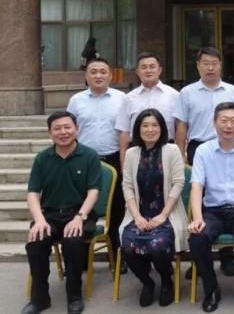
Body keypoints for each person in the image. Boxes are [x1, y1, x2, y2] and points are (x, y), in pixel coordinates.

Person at [22, 111, 102, 314]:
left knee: (72, 241)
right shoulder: (43, 158)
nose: (63, 132)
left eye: (67, 127)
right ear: (50, 133)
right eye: (57, 128)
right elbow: (33, 193)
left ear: (77, 129)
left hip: (80, 214)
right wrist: (39, 220)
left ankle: (74, 296)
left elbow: (93, 191)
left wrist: (79, 217)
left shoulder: (89, 156)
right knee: (36, 242)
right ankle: (40, 299)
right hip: (49, 215)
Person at [188, 102, 234, 312]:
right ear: (215, 123)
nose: (228, 125)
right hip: (213, 211)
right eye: (224, 120)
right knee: (197, 238)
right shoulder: (203, 150)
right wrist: (197, 218)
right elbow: (196, 187)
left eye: (233, 121)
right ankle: (211, 289)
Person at [175, 47, 234, 277]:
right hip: (199, 148)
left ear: (221, 65)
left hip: (229, 148)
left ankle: (226, 257)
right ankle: (199, 260)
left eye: (214, 63)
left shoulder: (232, 91)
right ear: (198, 66)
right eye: (205, 63)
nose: (210, 67)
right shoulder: (187, 93)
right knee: (199, 201)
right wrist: (181, 154)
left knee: (226, 199)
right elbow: (181, 125)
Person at [119, 108, 188, 307]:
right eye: (145, 126)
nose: (150, 130)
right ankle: (147, 282)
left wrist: (163, 215)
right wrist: (136, 216)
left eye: (155, 125)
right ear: (138, 129)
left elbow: (178, 183)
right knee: (127, 247)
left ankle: (166, 281)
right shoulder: (131, 153)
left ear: (162, 128)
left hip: (167, 214)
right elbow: (127, 186)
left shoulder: (172, 150)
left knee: (158, 246)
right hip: (139, 214)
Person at [67, 57, 127, 272]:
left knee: (116, 209)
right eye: (93, 71)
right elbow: (69, 130)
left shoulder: (121, 99)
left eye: (103, 71)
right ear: (86, 76)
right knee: (82, 207)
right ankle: (81, 257)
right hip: (83, 161)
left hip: (113, 159)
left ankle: (117, 257)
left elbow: (124, 131)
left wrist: (124, 160)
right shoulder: (76, 100)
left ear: (110, 75)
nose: (98, 75)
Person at [115, 52, 179, 165]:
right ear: (137, 72)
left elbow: (180, 128)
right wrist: (123, 159)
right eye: (144, 67)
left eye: (152, 67)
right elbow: (124, 131)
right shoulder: (129, 98)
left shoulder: (174, 95)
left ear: (159, 70)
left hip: (167, 150)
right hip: (137, 152)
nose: (148, 70)